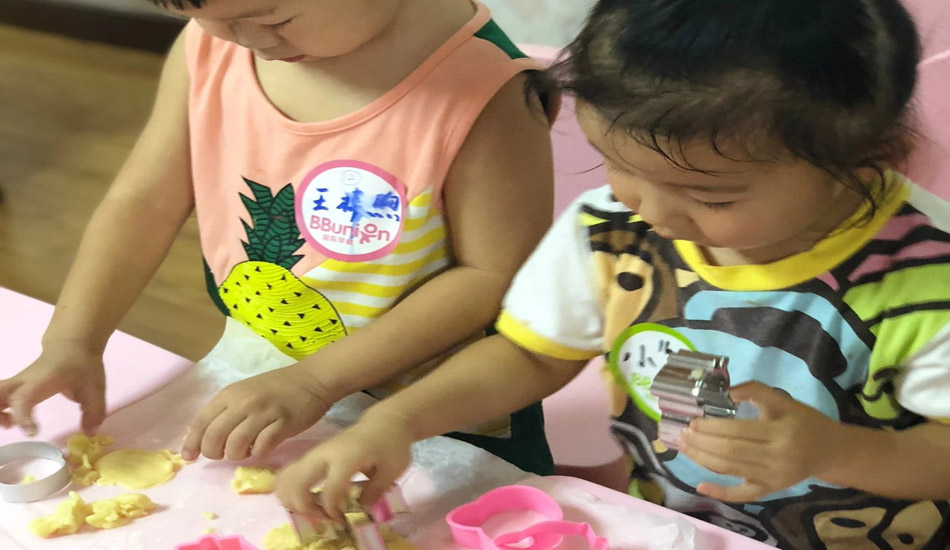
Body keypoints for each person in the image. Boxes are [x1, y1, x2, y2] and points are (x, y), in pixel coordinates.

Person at [275, 0, 950, 548]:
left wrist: (831, 451)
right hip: (678, 521)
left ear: (868, 158)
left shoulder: (927, 283)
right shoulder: (614, 227)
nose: (651, 211)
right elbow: (530, 355)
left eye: (710, 196)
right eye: (618, 165)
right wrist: (395, 422)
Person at [0, 0, 557, 476]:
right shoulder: (210, 45)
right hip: (269, 375)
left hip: (439, 411)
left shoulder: (486, 94)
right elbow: (143, 201)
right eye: (217, 20)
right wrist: (74, 340)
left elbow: (490, 277)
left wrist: (316, 382)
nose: (246, 41)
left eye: (272, 19)